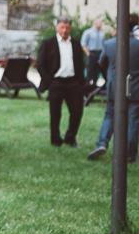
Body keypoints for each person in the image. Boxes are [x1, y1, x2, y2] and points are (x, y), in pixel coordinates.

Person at [88, 13, 139, 162]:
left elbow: (101, 63)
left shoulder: (109, 44)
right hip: (134, 88)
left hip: (114, 87)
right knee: (132, 121)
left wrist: (110, 77)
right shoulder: (137, 45)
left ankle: (102, 143)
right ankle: (129, 154)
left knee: (110, 115)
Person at [37, 16, 85, 148]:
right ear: (57, 27)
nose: (65, 30)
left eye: (67, 28)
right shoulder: (48, 43)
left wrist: (81, 82)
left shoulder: (75, 43)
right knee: (55, 113)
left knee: (77, 112)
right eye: (62, 27)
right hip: (56, 82)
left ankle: (70, 138)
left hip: (73, 83)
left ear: (70, 28)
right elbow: (40, 64)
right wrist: (49, 82)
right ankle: (56, 139)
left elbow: (80, 64)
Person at [82, 19, 106, 88]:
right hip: (92, 52)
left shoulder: (102, 33)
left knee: (98, 69)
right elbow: (83, 43)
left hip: (100, 53)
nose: (101, 25)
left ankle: (95, 84)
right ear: (95, 23)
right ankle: (87, 85)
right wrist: (88, 53)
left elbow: (104, 44)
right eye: (100, 23)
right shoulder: (88, 32)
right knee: (90, 69)